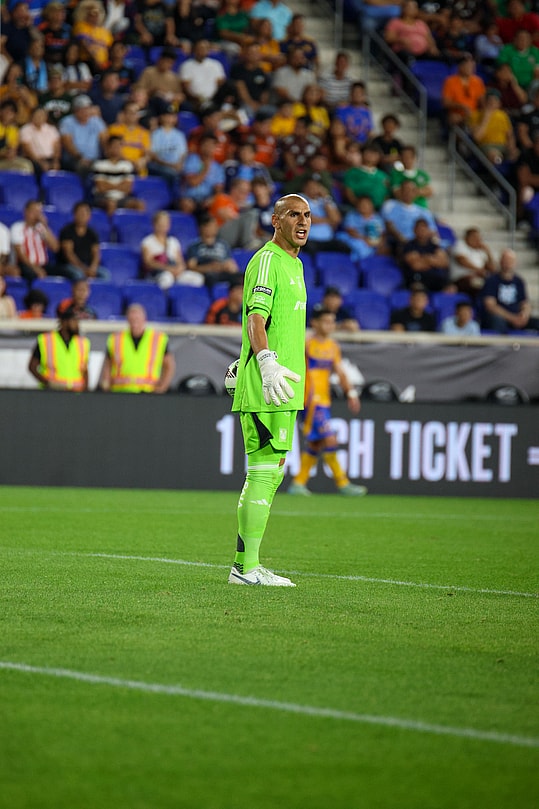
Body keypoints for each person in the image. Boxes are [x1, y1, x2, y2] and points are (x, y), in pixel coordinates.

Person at [228, 193, 311, 587]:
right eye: (294, 214)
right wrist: (263, 362)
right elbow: (255, 320)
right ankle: (245, 570)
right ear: (275, 221)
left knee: (271, 474)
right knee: (262, 473)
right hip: (268, 385)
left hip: (284, 388)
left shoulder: (295, 265)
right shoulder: (266, 261)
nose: (303, 221)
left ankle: (246, 565)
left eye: (308, 215)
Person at [288, 307, 367, 497]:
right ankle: (342, 482)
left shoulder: (332, 346)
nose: (330, 325)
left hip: (324, 400)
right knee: (329, 438)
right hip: (310, 400)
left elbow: (340, 371)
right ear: (314, 323)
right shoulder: (306, 344)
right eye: (326, 321)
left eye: (332, 321)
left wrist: (351, 394)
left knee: (316, 443)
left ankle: (298, 483)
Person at [99, 303, 176, 393]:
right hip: (120, 391)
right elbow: (108, 365)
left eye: (137, 320)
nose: (134, 323)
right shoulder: (116, 339)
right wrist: (106, 384)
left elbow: (169, 365)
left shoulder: (158, 339)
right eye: (132, 320)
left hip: (148, 392)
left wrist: (162, 387)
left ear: (144, 319)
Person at [28, 304, 90, 391]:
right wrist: (48, 383)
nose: (77, 324)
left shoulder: (83, 342)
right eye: (74, 320)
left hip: (76, 393)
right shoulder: (45, 340)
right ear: (64, 322)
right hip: (52, 393)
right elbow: (32, 367)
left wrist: (86, 391)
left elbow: (84, 370)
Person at [480, 247, 539, 333]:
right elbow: (490, 306)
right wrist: (512, 318)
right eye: (506, 260)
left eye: (511, 260)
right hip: (500, 316)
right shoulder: (491, 280)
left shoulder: (519, 281)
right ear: (500, 262)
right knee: (498, 322)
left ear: (515, 263)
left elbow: (525, 302)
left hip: (516, 316)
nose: (508, 263)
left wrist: (524, 315)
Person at [141, 210, 204, 289]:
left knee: (197, 278)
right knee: (167, 278)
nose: (163, 226)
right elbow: (148, 263)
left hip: (175, 272)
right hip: (158, 273)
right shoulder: (148, 241)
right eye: (161, 223)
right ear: (154, 224)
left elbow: (180, 261)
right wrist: (167, 268)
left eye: (166, 223)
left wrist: (179, 269)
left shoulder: (173, 241)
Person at [90, 134, 146, 216]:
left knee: (139, 205)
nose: (117, 149)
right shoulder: (100, 165)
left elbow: (127, 188)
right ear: (108, 147)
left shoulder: (127, 165)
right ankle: (111, 227)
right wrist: (119, 186)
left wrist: (109, 185)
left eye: (119, 146)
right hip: (104, 197)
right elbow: (101, 187)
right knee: (111, 204)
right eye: (114, 146)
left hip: (123, 198)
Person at [57, 201, 109, 281]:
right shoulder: (66, 231)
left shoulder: (92, 233)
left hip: (88, 265)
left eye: (85, 213)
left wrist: (93, 268)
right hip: (69, 265)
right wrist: (83, 269)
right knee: (78, 275)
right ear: (74, 215)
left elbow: (96, 254)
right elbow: (69, 254)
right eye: (80, 213)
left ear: (89, 216)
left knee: (105, 274)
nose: (83, 216)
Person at [11, 199, 59, 282]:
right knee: (34, 275)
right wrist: (35, 268)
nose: (37, 215)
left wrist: (45, 226)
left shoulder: (41, 228)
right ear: (26, 212)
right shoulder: (17, 227)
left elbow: (55, 248)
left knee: (67, 273)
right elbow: (20, 253)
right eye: (34, 211)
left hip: (44, 265)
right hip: (26, 265)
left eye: (39, 212)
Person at [185, 213, 240, 284]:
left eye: (215, 226)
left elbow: (231, 264)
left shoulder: (223, 244)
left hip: (223, 271)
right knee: (212, 277)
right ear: (202, 228)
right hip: (207, 273)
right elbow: (191, 267)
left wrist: (230, 267)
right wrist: (209, 268)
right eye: (210, 226)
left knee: (241, 278)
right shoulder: (194, 246)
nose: (215, 228)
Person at [59, 93, 106, 174]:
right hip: (74, 158)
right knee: (83, 168)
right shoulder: (67, 122)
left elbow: (105, 141)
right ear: (75, 110)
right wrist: (80, 158)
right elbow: (68, 143)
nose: (85, 112)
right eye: (82, 109)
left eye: (87, 109)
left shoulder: (97, 121)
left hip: (95, 159)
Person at [400, 217, 452, 291]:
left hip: (436, 279)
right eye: (419, 229)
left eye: (424, 229)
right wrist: (432, 260)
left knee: (450, 288)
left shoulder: (434, 246)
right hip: (417, 279)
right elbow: (416, 266)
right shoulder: (409, 246)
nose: (422, 231)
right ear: (414, 230)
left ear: (428, 230)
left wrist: (424, 258)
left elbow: (444, 263)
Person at [450, 226, 496, 295]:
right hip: (461, 278)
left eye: (478, 238)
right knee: (476, 283)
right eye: (474, 237)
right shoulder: (460, 245)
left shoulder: (480, 250)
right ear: (466, 238)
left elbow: (492, 269)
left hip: (478, 277)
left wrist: (488, 253)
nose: (477, 240)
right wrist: (478, 270)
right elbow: (461, 260)